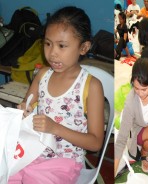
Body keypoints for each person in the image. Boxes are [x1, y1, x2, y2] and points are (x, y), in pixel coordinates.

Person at [10, 6, 104, 183]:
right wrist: (23, 111)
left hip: (64, 163)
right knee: (7, 172)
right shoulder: (43, 75)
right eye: (47, 43)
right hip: (32, 150)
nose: (52, 53)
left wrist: (55, 128)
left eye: (62, 46)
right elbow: (27, 106)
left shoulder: (91, 86)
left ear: (83, 48)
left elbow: (95, 142)